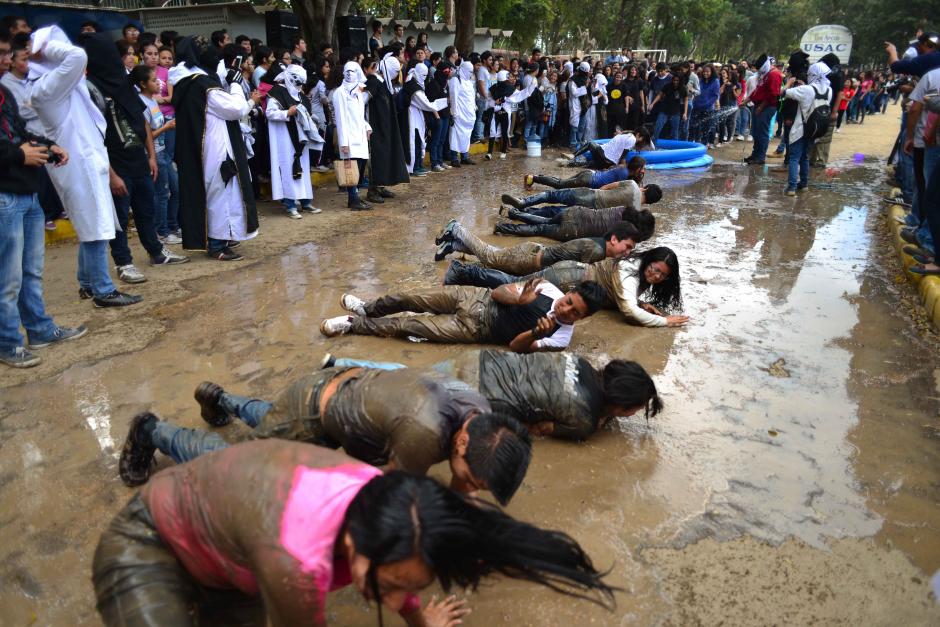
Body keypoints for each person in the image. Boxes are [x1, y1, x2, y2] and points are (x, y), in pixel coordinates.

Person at [94, 441, 615, 626]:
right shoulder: (299, 566)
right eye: (391, 586)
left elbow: (401, 564)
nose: (397, 597)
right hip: (148, 543)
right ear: (353, 544)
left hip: (229, 559)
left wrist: (418, 619)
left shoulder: (386, 497)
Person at [118, 366, 533, 503]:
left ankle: (221, 399)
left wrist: (464, 492)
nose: (472, 488)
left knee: (275, 422)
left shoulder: (479, 411)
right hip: (318, 409)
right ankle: (152, 430)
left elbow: (460, 475)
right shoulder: (424, 436)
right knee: (243, 467)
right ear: (462, 441)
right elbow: (386, 493)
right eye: (475, 480)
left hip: (352, 399)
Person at [26, 27, 140, 308]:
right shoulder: (45, 87)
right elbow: (76, 56)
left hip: (89, 162)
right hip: (77, 165)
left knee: (95, 223)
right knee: (95, 227)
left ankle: (88, 283)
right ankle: (103, 290)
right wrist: (46, 48)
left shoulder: (61, 84)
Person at [326, 349, 662, 440]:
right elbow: (538, 429)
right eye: (635, 408)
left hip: (482, 359)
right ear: (621, 404)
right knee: (396, 398)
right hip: (475, 393)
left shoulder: (583, 362)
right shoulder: (585, 421)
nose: (634, 415)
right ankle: (338, 390)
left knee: (404, 374)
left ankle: (340, 364)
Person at [0, 33, 87, 368]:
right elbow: (13, 145)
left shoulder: (5, 92)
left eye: (9, 54)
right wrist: (16, 154)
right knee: (8, 278)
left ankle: (38, 328)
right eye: (2, 53)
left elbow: (22, 132)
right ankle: (8, 343)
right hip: (5, 194)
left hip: (27, 191)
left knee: (30, 270)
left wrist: (49, 149)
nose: (6, 60)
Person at [81, 33, 191, 280]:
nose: (127, 57)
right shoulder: (90, 90)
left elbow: (142, 123)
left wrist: (151, 156)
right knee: (119, 218)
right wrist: (110, 174)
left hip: (139, 161)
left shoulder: (123, 84)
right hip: (115, 165)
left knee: (146, 211)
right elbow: (90, 136)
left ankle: (156, 252)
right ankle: (123, 262)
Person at [319, 278, 605, 353]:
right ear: (568, 293)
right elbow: (497, 293)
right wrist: (520, 299)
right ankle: (367, 308)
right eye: (568, 302)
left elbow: (514, 347)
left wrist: (535, 334)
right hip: (474, 297)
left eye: (574, 312)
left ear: (582, 318)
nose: (565, 310)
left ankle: (353, 324)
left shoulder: (561, 337)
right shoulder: (548, 289)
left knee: (410, 325)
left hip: (475, 330)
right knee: (410, 298)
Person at [171, 36, 261, 260]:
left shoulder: (187, 82)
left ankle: (222, 237)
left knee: (219, 194)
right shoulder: (202, 84)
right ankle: (217, 245)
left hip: (206, 147)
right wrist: (236, 85)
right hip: (216, 148)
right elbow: (235, 108)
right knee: (221, 195)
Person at [445, 247, 689, 328]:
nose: (654, 275)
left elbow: (626, 300)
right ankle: (461, 271)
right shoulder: (630, 272)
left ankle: (464, 272)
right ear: (649, 261)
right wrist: (665, 322)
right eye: (654, 268)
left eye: (661, 275)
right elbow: (628, 311)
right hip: (569, 279)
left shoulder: (637, 267)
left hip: (574, 273)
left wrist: (643, 303)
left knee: (512, 280)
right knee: (512, 284)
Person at [434, 220, 639, 273]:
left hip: (534, 255)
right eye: (627, 246)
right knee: (490, 257)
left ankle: (453, 244)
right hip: (528, 258)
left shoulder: (599, 247)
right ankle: (457, 228)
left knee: (493, 255)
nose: (627, 252)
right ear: (614, 239)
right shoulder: (595, 251)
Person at [130, 65, 180, 263]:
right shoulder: (142, 103)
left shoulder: (152, 100)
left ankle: (172, 227)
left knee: (174, 190)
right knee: (162, 194)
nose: (158, 83)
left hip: (163, 153)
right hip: (154, 155)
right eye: (153, 80)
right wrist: (167, 127)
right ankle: (163, 232)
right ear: (142, 84)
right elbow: (145, 135)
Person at [266, 64, 322, 218]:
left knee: (303, 168)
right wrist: (287, 113)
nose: (299, 87)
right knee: (287, 168)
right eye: (298, 83)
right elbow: (270, 113)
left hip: (301, 138)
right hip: (285, 138)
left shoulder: (300, 95)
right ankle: (290, 205)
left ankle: (305, 202)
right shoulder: (277, 92)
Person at [362, 51, 408, 203]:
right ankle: (372, 190)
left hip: (384, 126)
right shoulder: (374, 82)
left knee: (384, 155)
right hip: (374, 127)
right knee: (376, 157)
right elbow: (361, 102)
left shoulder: (381, 83)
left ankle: (380, 186)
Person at [782, 61, 832, 196]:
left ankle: (791, 187)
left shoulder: (806, 89)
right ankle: (803, 184)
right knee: (804, 157)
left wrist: (789, 82)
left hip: (800, 128)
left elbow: (784, 92)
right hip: (814, 130)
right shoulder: (829, 90)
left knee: (794, 158)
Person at [332, 58, 373, 210]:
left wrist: (367, 126)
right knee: (350, 168)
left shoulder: (357, 92)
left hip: (360, 135)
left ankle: (355, 197)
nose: (350, 74)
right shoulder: (339, 93)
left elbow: (360, 115)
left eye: (353, 71)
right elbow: (341, 119)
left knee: (361, 166)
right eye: (347, 71)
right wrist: (343, 142)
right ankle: (353, 198)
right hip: (349, 137)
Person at [400, 62, 447, 176]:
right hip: (411, 118)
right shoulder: (413, 87)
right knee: (414, 142)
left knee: (419, 141)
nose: (424, 77)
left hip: (417, 118)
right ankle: (414, 167)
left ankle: (418, 165)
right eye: (423, 75)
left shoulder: (416, 84)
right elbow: (426, 104)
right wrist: (446, 101)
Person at [501, 180, 661, 213]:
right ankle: (520, 213)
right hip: (593, 213)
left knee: (552, 195)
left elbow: (607, 186)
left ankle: (523, 202)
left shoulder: (632, 184)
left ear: (644, 189)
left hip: (592, 195)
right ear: (649, 203)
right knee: (551, 212)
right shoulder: (636, 211)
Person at [525, 153, 647, 191]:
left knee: (560, 183)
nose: (644, 171)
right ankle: (533, 177)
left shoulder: (625, 171)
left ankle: (533, 178)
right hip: (589, 180)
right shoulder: (624, 174)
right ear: (637, 168)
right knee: (559, 185)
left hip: (590, 174)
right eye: (643, 168)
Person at [742, 54, 782, 165]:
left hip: (767, 107)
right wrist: (745, 101)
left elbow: (773, 95)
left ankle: (760, 157)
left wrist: (761, 107)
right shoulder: (765, 73)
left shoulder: (774, 75)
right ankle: (755, 154)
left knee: (762, 133)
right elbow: (757, 90)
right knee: (755, 132)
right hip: (758, 105)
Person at [448, 61, 477, 166]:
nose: (471, 73)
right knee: (455, 135)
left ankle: (465, 156)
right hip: (459, 114)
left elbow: (471, 97)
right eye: (469, 71)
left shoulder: (469, 82)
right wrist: (454, 113)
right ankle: (454, 158)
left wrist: (474, 108)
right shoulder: (455, 80)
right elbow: (453, 97)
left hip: (469, 114)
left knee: (466, 136)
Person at [571, 131, 637, 168]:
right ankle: (572, 164)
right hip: (608, 162)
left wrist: (619, 165)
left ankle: (573, 156)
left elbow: (624, 155)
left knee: (590, 144)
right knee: (590, 163)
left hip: (605, 156)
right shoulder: (629, 138)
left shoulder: (631, 138)